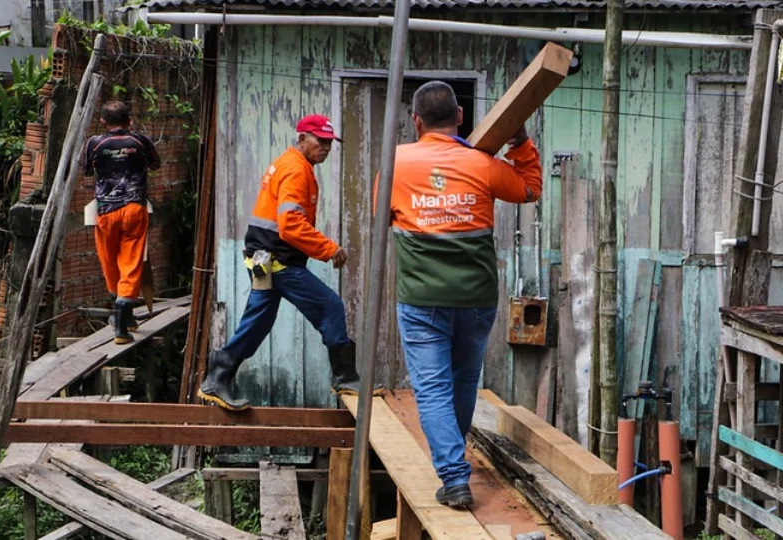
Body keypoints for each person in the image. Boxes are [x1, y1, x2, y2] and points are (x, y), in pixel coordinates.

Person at [388, 81, 543, 508]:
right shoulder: (483, 164)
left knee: (433, 389)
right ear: (459, 117)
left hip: (421, 299)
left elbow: (384, 215)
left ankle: (455, 477)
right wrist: (521, 140)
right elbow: (530, 188)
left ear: (416, 121)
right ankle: (454, 469)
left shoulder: (396, 162)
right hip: (476, 299)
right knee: (461, 383)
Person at [199, 114, 375, 412]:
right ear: (302, 138)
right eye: (321, 141)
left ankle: (218, 377)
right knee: (330, 306)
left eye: (330, 143)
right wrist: (329, 249)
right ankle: (345, 377)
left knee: (258, 321)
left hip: (265, 258)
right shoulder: (296, 170)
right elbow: (291, 225)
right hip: (278, 261)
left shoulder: (289, 164)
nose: (326, 148)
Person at [84, 101, 160, 345]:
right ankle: (122, 321)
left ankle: (120, 315)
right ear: (129, 121)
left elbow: (86, 170)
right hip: (134, 208)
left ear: (103, 122)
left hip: (106, 210)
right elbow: (156, 164)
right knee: (131, 261)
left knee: (109, 262)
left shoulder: (95, 143)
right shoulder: (140, 141)